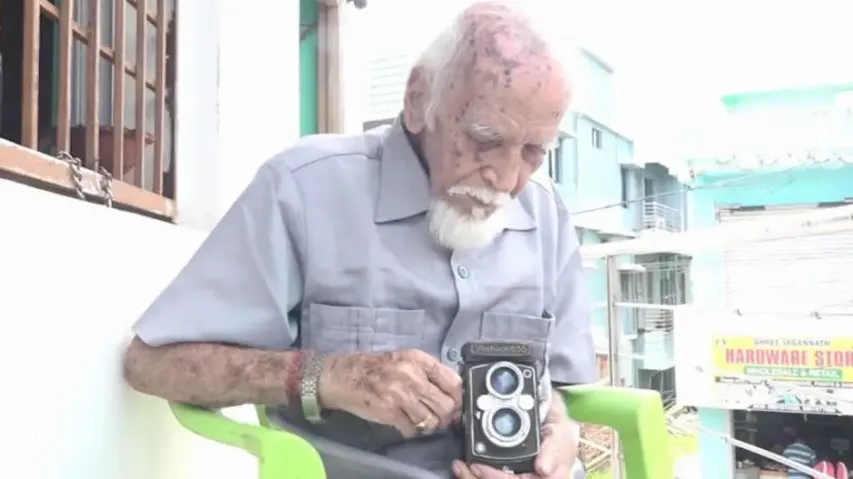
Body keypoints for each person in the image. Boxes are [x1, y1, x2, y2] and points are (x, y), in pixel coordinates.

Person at [122, 1, 595, 478]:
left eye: (534, 152)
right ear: (418, 100)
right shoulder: (304, 190)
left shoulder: (547, 214)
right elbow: (152, 363)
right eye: (485, 139)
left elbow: (563, 385)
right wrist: (327, 376)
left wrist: (558, 426)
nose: (508, 179)